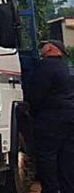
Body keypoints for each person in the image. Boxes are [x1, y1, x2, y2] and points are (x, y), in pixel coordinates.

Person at [25, 40, 74, 193]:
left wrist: (31, 111)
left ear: (52, 48)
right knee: (66, 157)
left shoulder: (46, 66)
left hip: (50, 118)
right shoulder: (65, 68)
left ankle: (51, 189)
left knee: (47, 157)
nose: (42, 49)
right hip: (69, 117)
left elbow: (36, 94)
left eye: (44, 46)